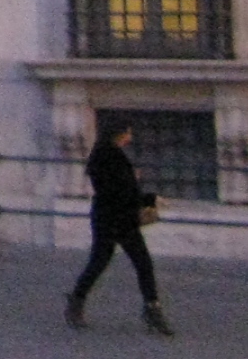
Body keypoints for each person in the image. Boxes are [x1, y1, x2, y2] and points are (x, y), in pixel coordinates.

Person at [67, 115, 175, 335]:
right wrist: (149, 198)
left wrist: (136, 187)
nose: (130, 136)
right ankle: (151, 309)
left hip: (109, 217)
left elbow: (118, 188)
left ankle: (77, 300)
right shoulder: (111, 157)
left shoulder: (103, 154)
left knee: (103, 262)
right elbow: (121, 190)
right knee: (138, 264)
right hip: (119, 219)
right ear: (119, 134)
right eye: (127, 132)